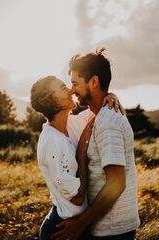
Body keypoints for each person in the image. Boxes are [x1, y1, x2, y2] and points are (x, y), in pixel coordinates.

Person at [52, 48, 140, 240]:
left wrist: (81, 223)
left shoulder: (107, 122)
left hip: (113, 230)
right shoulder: (95, 116)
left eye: (75, 83)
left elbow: (116, 184)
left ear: (94, 81)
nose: (72, 90)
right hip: (103, 225)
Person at [30, 75, 123, 239]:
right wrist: (81, 152)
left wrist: (110, 96)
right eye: (63, 88)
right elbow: (77, 197)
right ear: (51, 101)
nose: (71, 90)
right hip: (61, 230)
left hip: (79, 226)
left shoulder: (71, 123)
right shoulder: (51, 142)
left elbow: (99, 109)